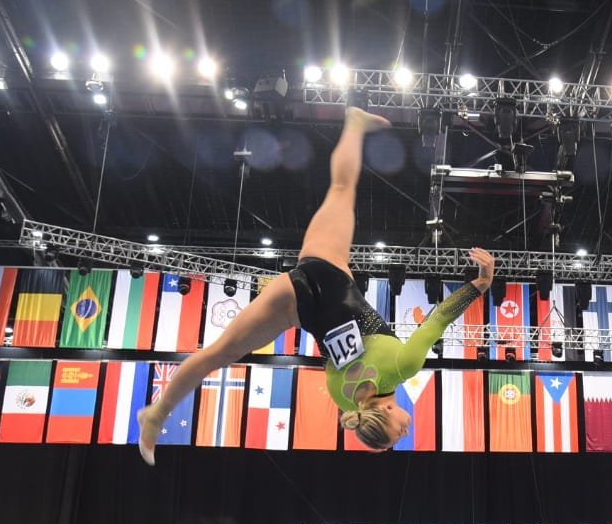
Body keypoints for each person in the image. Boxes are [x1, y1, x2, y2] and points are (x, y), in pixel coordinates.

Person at [137, 107, 496, 459]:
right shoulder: (343, 399)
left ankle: (354, 123)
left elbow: (438, 319)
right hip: (295, 305)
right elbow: (335, 344)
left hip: (328, 273)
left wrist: (479, 285)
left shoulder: (404, 366)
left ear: (386, 414)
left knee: (342, 189)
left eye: (398, 433)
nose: (406, 429)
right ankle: (157, 413)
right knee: (217, 354)